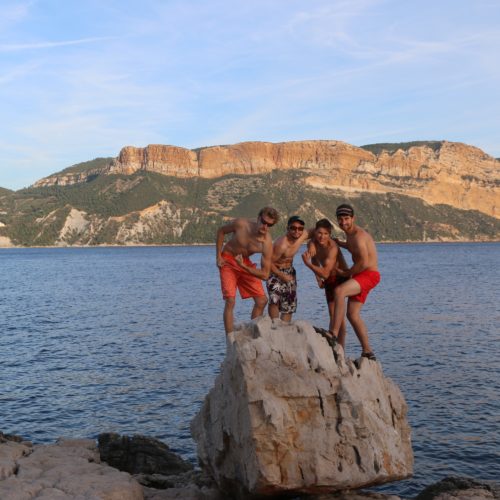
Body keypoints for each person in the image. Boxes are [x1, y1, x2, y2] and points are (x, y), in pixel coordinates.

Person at [216, 207, 279, 334]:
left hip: (244, 263)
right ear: (258, 218)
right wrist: (218, 256)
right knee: (230, 300)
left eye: (269, 225)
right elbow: (221, 231)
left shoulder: (266, 243)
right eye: (264, 222)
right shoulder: (241, 224)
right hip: (228, 260)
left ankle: (253, 331)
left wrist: (244, 266)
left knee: (262, 301)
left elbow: (265, 275)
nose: (265, 227)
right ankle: (230, 338)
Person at [331, 204, 381, 360]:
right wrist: (341, 244)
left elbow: (363, 262)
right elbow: (353, 248)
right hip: (362, 276)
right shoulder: (350, 235)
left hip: (368, 275)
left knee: (339, 291)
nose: (343, 222)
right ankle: (367, 351)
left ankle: (333, 332)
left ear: (353, 218)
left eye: (346, 219)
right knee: (352, 315)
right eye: (340, 219)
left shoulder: (359, 236)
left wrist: (346, 272)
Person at [301, 219, 348, 349]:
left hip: (341, 277)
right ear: (315, 232)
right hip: (328, 279)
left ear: (330, 234)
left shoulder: (332, 248)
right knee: (332, 314)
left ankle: (340, 349)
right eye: (319, 233)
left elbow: (325, 273)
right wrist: (318, 279)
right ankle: (334, 346)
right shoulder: (312, 243)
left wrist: (307, 264)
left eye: (326, 234)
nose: (322, 236)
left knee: (339, 319)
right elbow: (316, 260)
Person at [267, 215, 313, 323]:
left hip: (289, 271)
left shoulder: (300, 236)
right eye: (293, 228)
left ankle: (285, 329)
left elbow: (315, 231)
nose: (297, 231)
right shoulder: (282, 244)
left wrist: (311, 245)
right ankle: (275, 326)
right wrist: (281, 275)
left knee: (289, 304)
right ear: (288, 228)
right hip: (275, 271)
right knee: (275, 300)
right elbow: (268, 262)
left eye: (300, 228)